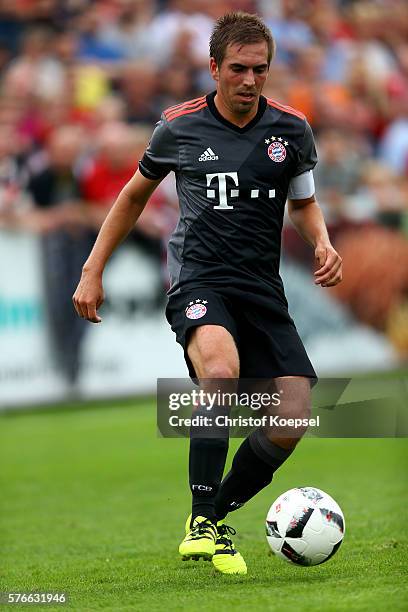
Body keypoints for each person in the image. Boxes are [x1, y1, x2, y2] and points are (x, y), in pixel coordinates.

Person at [73, 12, 342, 576]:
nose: (250, 80)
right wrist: (92, 270)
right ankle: (200, 521)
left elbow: (304, 202)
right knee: (221, 371)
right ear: (215, 68)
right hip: (199, 280)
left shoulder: (291, 130)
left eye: (261, 69)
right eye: (239, 69)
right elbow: (130, 199)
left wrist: (321, 242)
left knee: (291, 416)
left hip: (263, 290)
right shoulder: (178, 128)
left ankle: (216, 516)